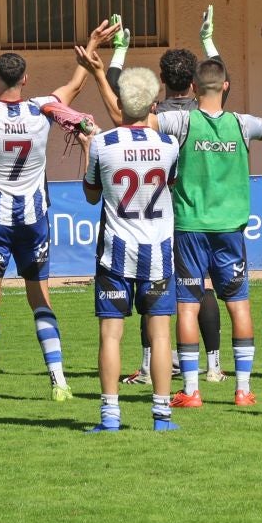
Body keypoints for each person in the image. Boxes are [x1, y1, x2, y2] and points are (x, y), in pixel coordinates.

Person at [90, 23, 262, 408]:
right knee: (240, 305)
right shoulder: (241, 124)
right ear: (226, 86)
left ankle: (192, 390)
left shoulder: (182, 121)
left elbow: (124, 118)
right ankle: (243, 389)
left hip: (188, 226)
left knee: (187, 305)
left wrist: (102, 73)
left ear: (193, 90)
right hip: (231, 227)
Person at [0, 40, 98, 404]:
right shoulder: (42, 110)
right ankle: (59, 382)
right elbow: (75, 87)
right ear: (26, 78)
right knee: (40, 298)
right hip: (33, 219)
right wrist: (91, 49)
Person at [78, 66, 181, 434]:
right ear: (153, 105)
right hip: (158, 252)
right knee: (160, 333)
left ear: (119, 102)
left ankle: (110, 416)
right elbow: (169, 184)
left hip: (115, 255)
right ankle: (162, 416)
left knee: (110, 334)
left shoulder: (103, 144)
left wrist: (85, 147)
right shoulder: (170, 145)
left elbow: (91, 196)